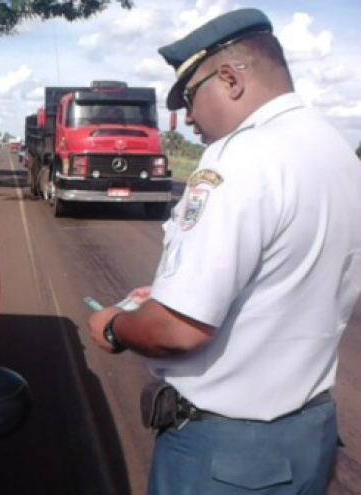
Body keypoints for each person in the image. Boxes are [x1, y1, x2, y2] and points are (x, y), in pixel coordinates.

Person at [88, 8, 361, 495]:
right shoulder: (335, 151)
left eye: (190, 97)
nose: (188, 117)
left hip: (227, 457)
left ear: (231, 78)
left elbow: (177, 329)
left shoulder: (240, 158)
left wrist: (114, 325)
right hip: (309, 436)